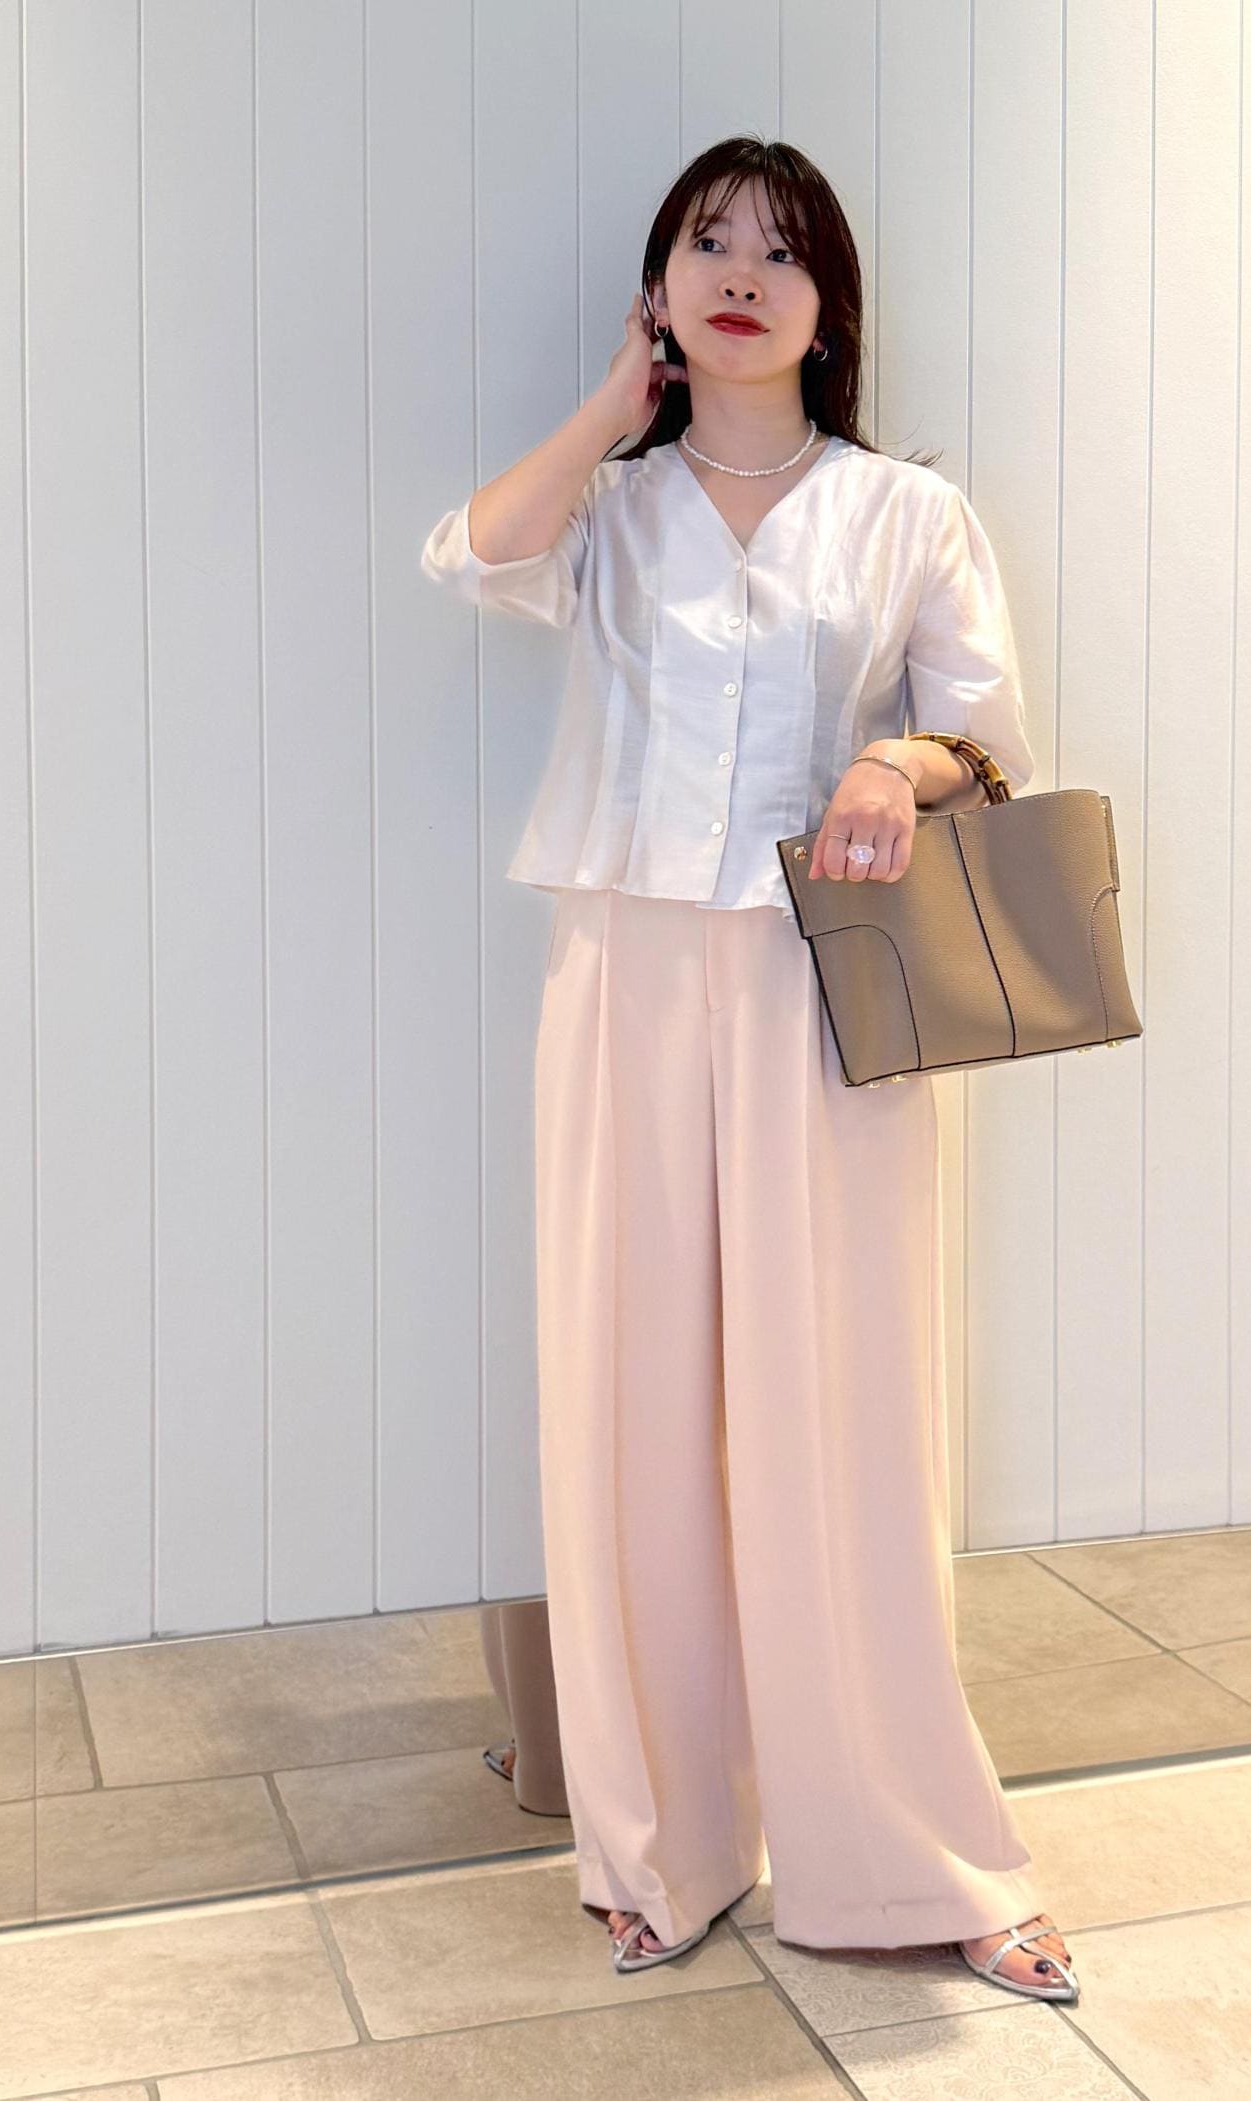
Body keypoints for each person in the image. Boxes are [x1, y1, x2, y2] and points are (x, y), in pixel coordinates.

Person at [422, 135, 1078, 2002]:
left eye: (780, 252)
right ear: (660, 291)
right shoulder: (613, 507)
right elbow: (472, 552)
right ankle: (660, 1844)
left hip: (824, 977)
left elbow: (987, 733)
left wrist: (891, 762)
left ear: (828, 304)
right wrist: (609, 406)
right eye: (706, 244)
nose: (740, 274)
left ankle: (912, 1852)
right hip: (623, 970)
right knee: (628, 1397)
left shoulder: (904, 513)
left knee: (843, 1410)